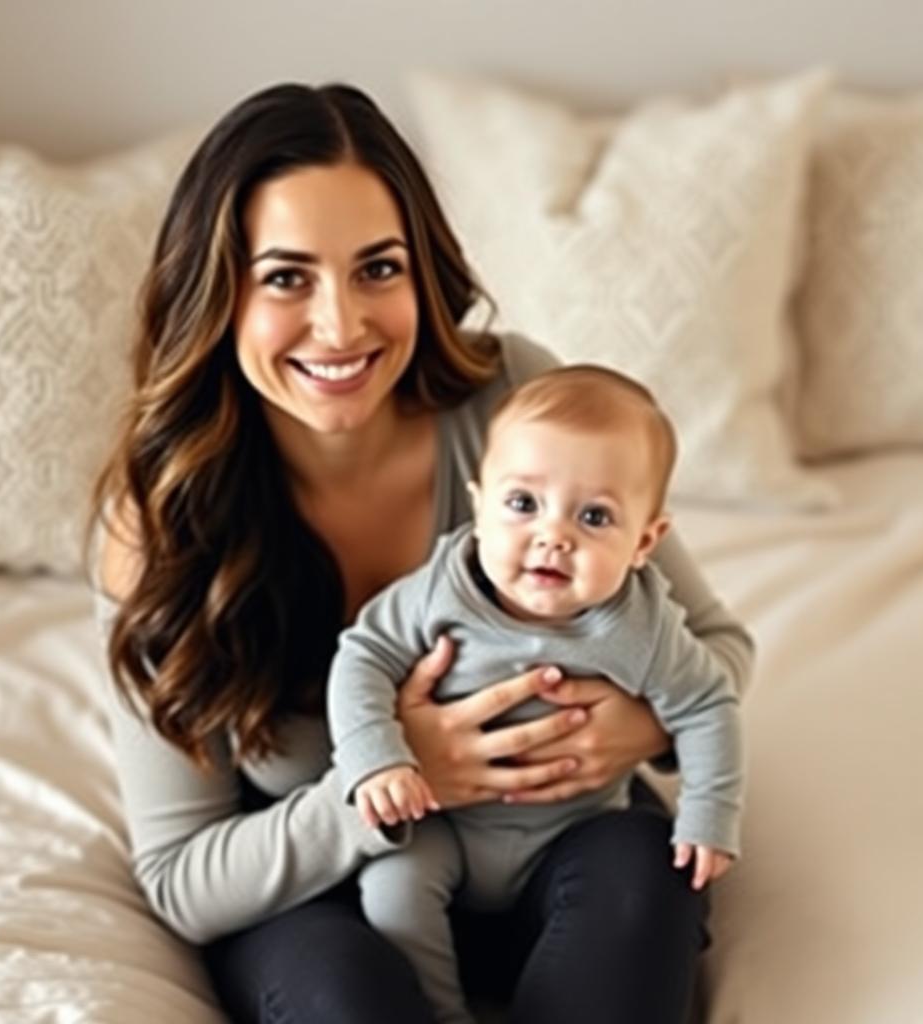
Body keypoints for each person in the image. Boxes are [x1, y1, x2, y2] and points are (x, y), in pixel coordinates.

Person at [89, 81, 754, 1024]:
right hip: (330, 895)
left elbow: (722, 648)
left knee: (644, 880)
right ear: (218, 290)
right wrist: (399, 776)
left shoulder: (515, 397)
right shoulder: (159, 524)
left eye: (378, 269)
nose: (342, 325)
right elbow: (183, 879)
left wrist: (639, 729)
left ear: (421, 270)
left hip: (561, 844)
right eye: (286, 276)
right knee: (344, 1002)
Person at [328, 365, 743, 1023]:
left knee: (641, 870)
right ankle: (445, 1013)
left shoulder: (641, 627)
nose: (554, 535)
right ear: (478, 504)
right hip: (448, 829)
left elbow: (707, 703)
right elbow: (361, 656)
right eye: (523, 504)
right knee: (393, 888)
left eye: (596, 516)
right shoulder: (443, 588)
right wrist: (376, 755)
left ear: (645, 542)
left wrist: (710, 811)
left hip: (572, 831)